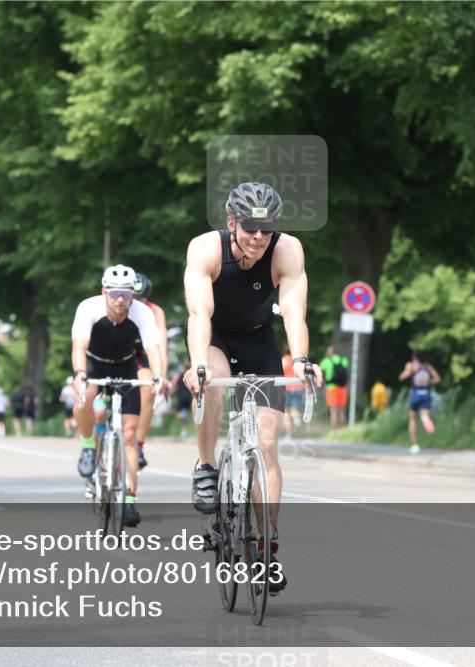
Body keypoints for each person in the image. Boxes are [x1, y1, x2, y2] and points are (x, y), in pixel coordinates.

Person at [183, 182, 321, 595]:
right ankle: (207, 465)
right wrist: (199, 364)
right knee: (213, 385)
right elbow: (198, 313)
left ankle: (266, 550)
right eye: (249, 227)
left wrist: (299, 361)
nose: (258, 236)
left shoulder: (287, 250)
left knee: (266, 443)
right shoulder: (206, 249)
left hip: (260, 339)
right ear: (231, 223)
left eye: (267, 228)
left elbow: (295, 311)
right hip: (216, 336)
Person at [72, 264, 166, 527]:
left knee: (129, 435)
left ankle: (129, 501)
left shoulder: (142, 312)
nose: (121, 299)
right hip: (94, 362)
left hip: (125, 364)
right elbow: (79, 346)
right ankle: (89, 447)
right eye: (115, 293)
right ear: (105, 292)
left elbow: (153, 348)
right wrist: (80, 373)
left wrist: (158, 375)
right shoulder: (88, 308)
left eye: (126, 293)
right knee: (84, 395)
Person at [132, 272, 168, 470]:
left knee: (148, 390)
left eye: (141, 300)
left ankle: (138, 444)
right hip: (117, 351)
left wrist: (161, 375)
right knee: (101, 410)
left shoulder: (155, 311)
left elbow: (161, 345)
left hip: (143, 353)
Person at [398, 351, 442, 454]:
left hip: (415, 394)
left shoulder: (411, 365)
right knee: (425, 414)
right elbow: (437, 379)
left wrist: (408, 372)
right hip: (426, 393)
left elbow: (401, 377)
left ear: (414, 357)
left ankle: (414, 444)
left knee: (412, 419)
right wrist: (428, 382)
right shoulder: (428, 366)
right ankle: (425, 418)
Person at [320, 346, 349, 428]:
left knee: (333, 411)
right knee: (342, 411)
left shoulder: (326, 361)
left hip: (331, 388)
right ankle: (343, 430)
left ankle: (334, 431)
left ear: (329, 353)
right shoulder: (343, 360)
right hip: (342, 388)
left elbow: (320, 369)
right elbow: (346, 367)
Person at [281, 346, 305, 437]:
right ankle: (296, 419)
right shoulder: (299, 361)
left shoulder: (284, 360)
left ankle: (288, 432)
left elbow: (280, 372)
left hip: (287, 388)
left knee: (286, 411)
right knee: (294, 408)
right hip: (299, 388)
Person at [171, 363, 193, 440]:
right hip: (188, 398)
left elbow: (173, 385)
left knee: (179, 415)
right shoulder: (191, 376)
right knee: (184, 412)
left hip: (181, 398)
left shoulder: (180, 375)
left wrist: (172, 392)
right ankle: (185, 430)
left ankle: (184, 428)